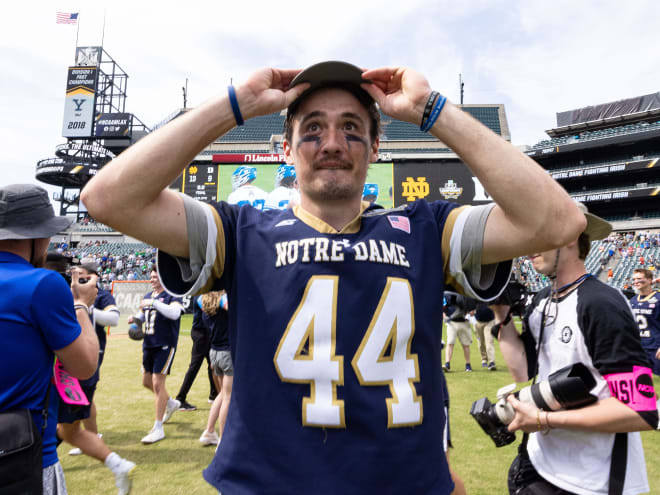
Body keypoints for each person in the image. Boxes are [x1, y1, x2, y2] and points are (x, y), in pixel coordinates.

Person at [82, 61, 586, 494]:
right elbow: (106, 198)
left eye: (351, 127)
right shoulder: (240, 232)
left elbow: (558, 221)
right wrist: (236, 104)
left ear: (375, 145)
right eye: (313, 128)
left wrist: (432, 109)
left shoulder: (427, 230)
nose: (332, 143)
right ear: (286, 148)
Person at [494, 202, 658, 495]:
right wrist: (500, 314)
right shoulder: (541, 300)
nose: (530, 247)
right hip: (538, 462)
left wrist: (543, 420)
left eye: (540, 236)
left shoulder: (602, 304)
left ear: (570, 235)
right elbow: (522, 369)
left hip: (590, 479)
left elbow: (640, 411)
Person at [0, 184, 99, 495]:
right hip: (23, 454)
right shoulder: (43, 284)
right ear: (38, 237)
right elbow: (84, 367)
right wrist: (82, 305)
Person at [55, 263, 135, 495]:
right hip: (67, 363)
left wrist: (83, 306)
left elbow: (112, 319)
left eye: (82, 275)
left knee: (61, 425)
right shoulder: (66, 291)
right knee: (73, 424)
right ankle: (112, 459)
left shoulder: (99, 295)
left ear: (94, 278)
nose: (76, 278)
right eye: (74, 274)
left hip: (83, 362)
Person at [128, 268, 184, 444]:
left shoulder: (172, 294)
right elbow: (143, 316)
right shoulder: (148, 296)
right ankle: (170, 403)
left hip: (165, 344)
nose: (152, 280)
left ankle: (158, 428)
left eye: (156, 277)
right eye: (151, 277)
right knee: (146, 382)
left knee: (158, 384)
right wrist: (135, 319)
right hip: (149, 344)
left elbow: (174, 313)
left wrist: (153, 302)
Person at [198, 291, 233, 446]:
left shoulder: (201, 301)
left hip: (214, 352)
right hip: (227, 352)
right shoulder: (223, 300)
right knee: (227, 397)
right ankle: (223, 441)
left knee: (222, 395)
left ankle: (209, 431)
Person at [174, 294, 217, 411]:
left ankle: (214, 395)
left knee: (212, 364)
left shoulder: (203, 291)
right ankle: (180, 399)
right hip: (201, 333)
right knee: (194, 367)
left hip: (205, 333)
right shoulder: (200, 293)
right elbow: (208, 309)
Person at [630, 268, 660, 376]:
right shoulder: (633, 300)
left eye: (639, 278)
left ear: (649, 280)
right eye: (634, 279)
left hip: (656, 348)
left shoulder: (658, 299)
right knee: (641, 382)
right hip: (639, 348)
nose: (636, 281)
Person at [443, 292, 475, 372]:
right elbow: (443, 307)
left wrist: (470, 312)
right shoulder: (447, 294)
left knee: (466, 345)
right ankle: (447, 364)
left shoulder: (466, 293)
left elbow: (472, 310)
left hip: (464, 322)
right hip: (451, 323)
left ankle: (468, 365)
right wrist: (445, 317)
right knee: (450, 343)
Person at [474, 302, 497, 370]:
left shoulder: (490, 294)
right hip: (478, 321)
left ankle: (491, 362)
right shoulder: (476, 294)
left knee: (489, 341)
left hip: (490, 321)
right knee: (481, 342)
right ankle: (484, 359)